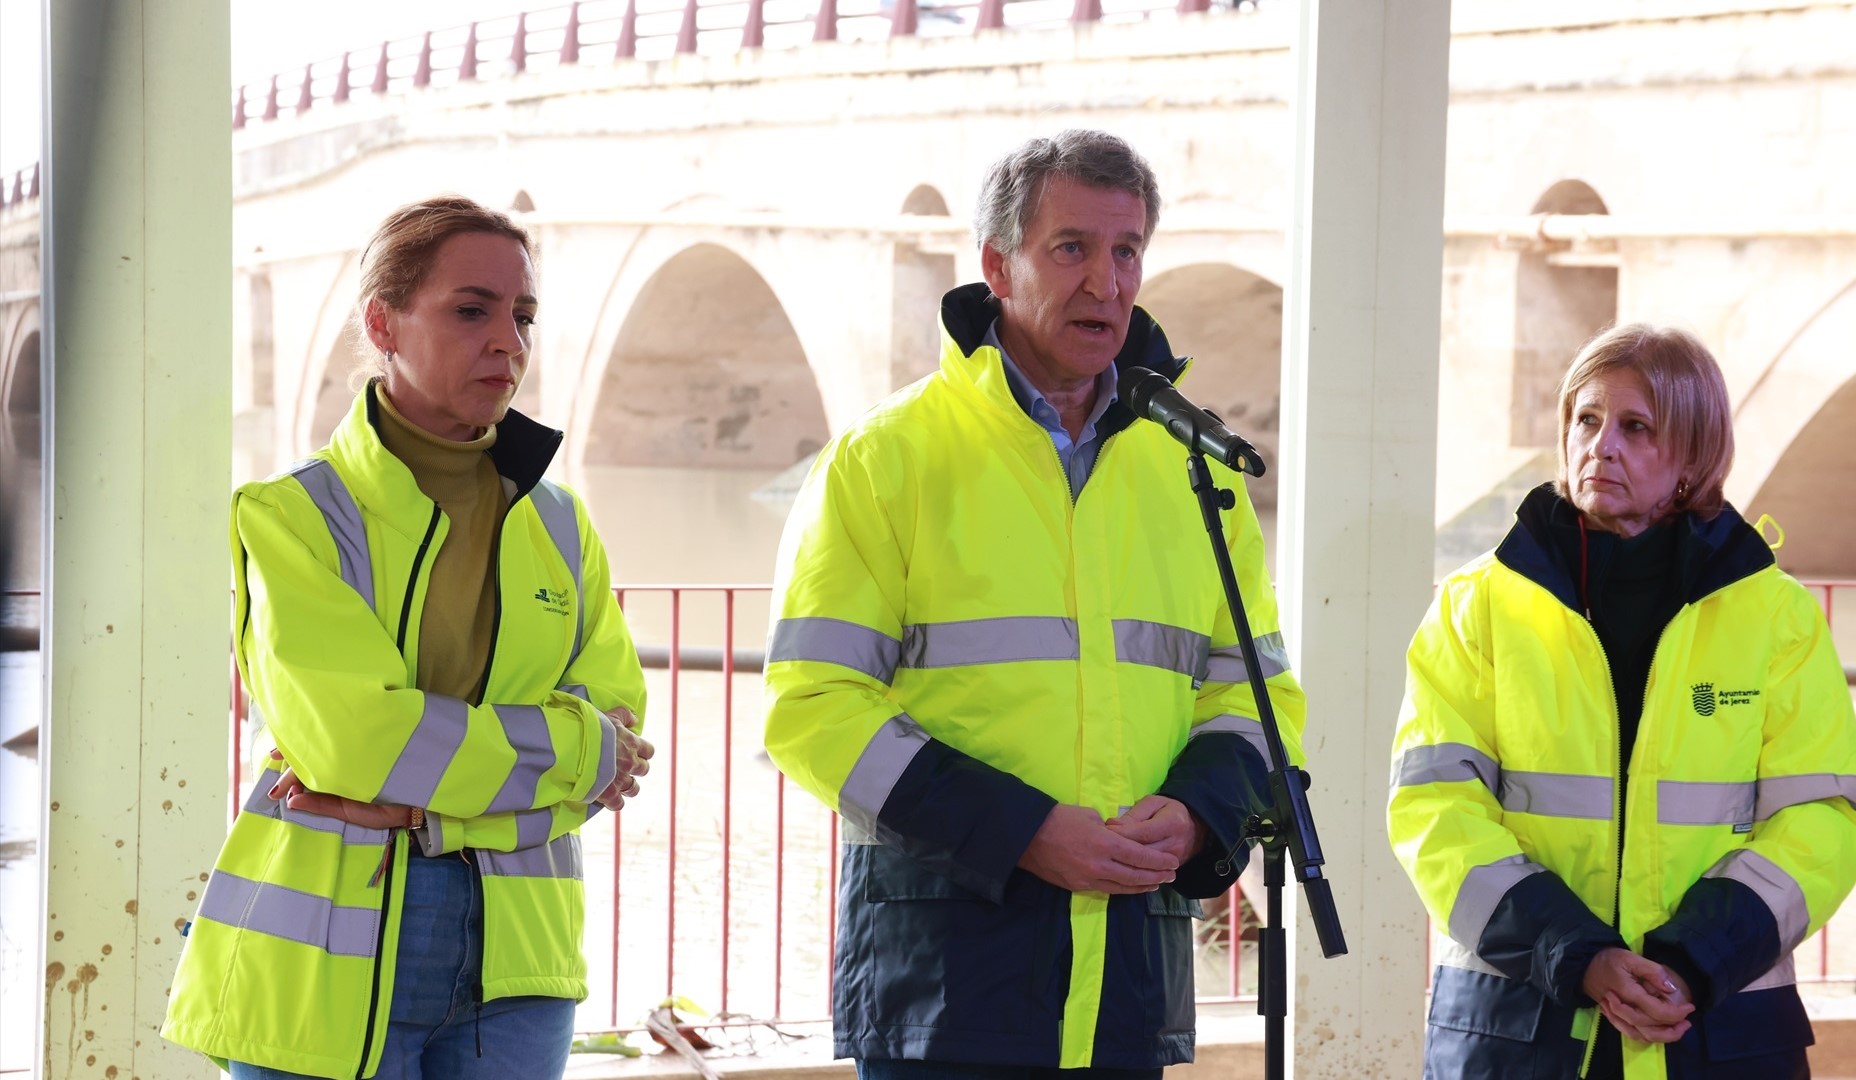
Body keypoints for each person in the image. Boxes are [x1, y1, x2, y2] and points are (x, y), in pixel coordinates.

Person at [763, 129, 1305, 1078]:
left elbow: (1260, 703)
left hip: (1132, 977)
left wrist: (1194, 813)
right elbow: (813, 709)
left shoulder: (1193, 472)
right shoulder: (885, 460)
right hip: (946, 977)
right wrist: (1026, 834)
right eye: (1072, 248)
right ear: (996, 266)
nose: (1106, 280)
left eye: (1127, 250)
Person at [162, 196, 652, 1080]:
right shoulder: (294, 518)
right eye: (473, 310)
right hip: (322, 960)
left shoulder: (562, 523)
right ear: (382, 322)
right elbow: (356, 741)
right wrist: (562, 754)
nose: (509, 340)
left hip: (521, 967)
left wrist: (419, 804)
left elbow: (617, 735)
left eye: (524, 314)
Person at [1388, 324, 1856, 1079]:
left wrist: (1695, 960)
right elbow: (1435, 808)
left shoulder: (1776, 618)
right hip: (1522, 1033)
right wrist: (1576, 955)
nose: (1601, 444)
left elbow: (1825, 818)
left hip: (1713, 1027)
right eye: (1586, 419)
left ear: (1693, 455)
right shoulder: (1475, 606)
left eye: (1636, 427)